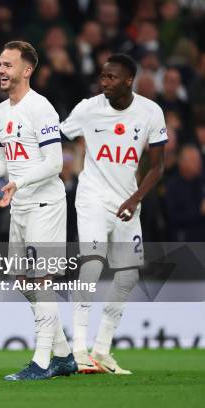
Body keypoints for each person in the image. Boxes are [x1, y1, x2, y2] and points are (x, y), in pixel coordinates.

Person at [0, 40, 75, 380]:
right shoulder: (1, 112)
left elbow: (55, 163)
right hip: (21, 206)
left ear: (27, 70)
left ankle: (41, 364)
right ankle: (63, 355)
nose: (1, 69)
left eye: (8, 64)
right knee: (24, 281)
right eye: (0, 63)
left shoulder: (41, 108)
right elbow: (2, 162)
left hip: (45, 204)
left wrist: (20, 182)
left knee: (40, 281)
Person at [60, 54, 167, 374]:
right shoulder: (88, 108)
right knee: (92, 263)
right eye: (102, 76)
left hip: (127, 204)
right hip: (91, 197)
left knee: (128, 275)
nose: (103, 82)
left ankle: (102, 350)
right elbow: (58, 138)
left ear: (128, 80)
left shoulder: (151, 112)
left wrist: (135, 198)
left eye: (111, 78)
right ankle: (78, 348)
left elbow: (158, 166)